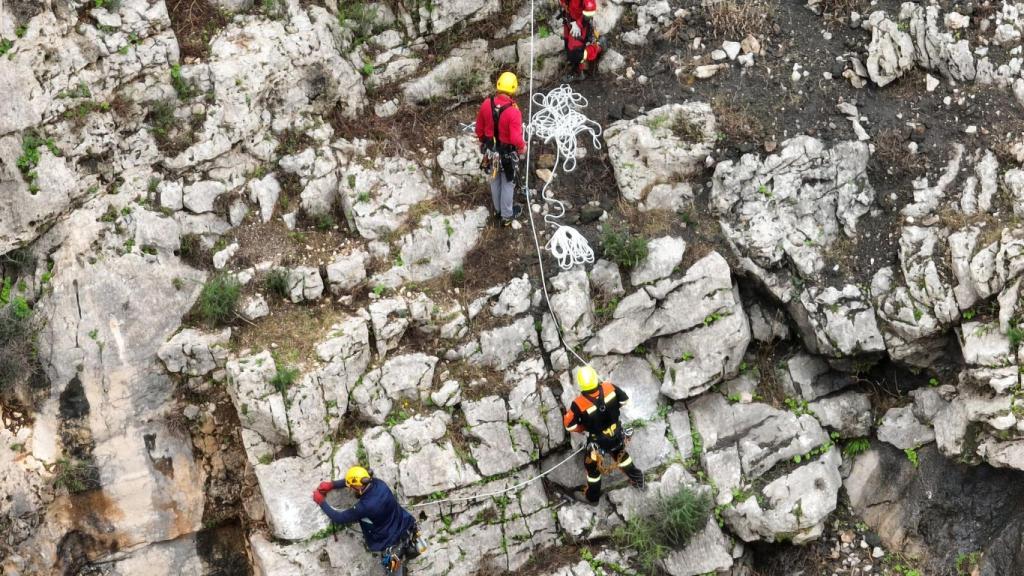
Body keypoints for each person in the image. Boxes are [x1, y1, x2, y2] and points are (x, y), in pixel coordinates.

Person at [313, 466, 422, 574]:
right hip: (404, 524)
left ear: (358, 486)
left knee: (394, 570)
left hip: (389, 540)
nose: (350, 489)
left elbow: (339, 518)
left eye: (351, 487)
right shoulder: (379, 483)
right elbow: (356, 481)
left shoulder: (364, 507)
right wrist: (332, 484)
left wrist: (321, 501)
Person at [562, 365, 645, 503]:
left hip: (598, 442)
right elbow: (624, 400)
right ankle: (639, 480)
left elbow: (569, 425)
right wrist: (611, 410)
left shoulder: (579, 403)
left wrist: (583, 427)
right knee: (621, 455)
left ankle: (592, 497)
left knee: (592, 469)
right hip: (616, 434)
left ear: (580, 384)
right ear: (595, 378)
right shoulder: (609, 387)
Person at [475, 71, 526, 227]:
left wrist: (484, 142)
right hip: (507, 155)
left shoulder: (486, 104)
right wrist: (522, 147)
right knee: (508, 183)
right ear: (513, 89)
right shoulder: (513, 112)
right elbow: (516, 138)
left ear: (498, 86)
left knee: (494, 179)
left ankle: (498, 210)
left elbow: (479, 130)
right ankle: (506, 216)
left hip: (491, 152)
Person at [559, 0, 603, 82]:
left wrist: (579, 25)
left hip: (581, 23)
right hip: (569, 19)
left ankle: (598, 47)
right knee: (567, 46)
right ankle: (575, 65)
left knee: (577, 53)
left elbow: (590, 10)